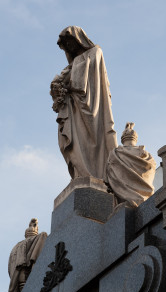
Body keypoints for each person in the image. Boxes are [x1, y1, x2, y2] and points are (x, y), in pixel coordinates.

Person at [50, 26, 117, 179]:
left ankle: (99, 176)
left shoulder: (95, 53)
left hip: (92, 107)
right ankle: (81, 175)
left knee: (93, 142)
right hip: (73, 110)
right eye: (65, 45)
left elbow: (82, 83)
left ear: (79, 39)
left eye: (70, 41)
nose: (69, 46)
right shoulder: (69, 67)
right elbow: (65, 85)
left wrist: (66, 82)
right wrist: (57, 88)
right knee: (69, 144)